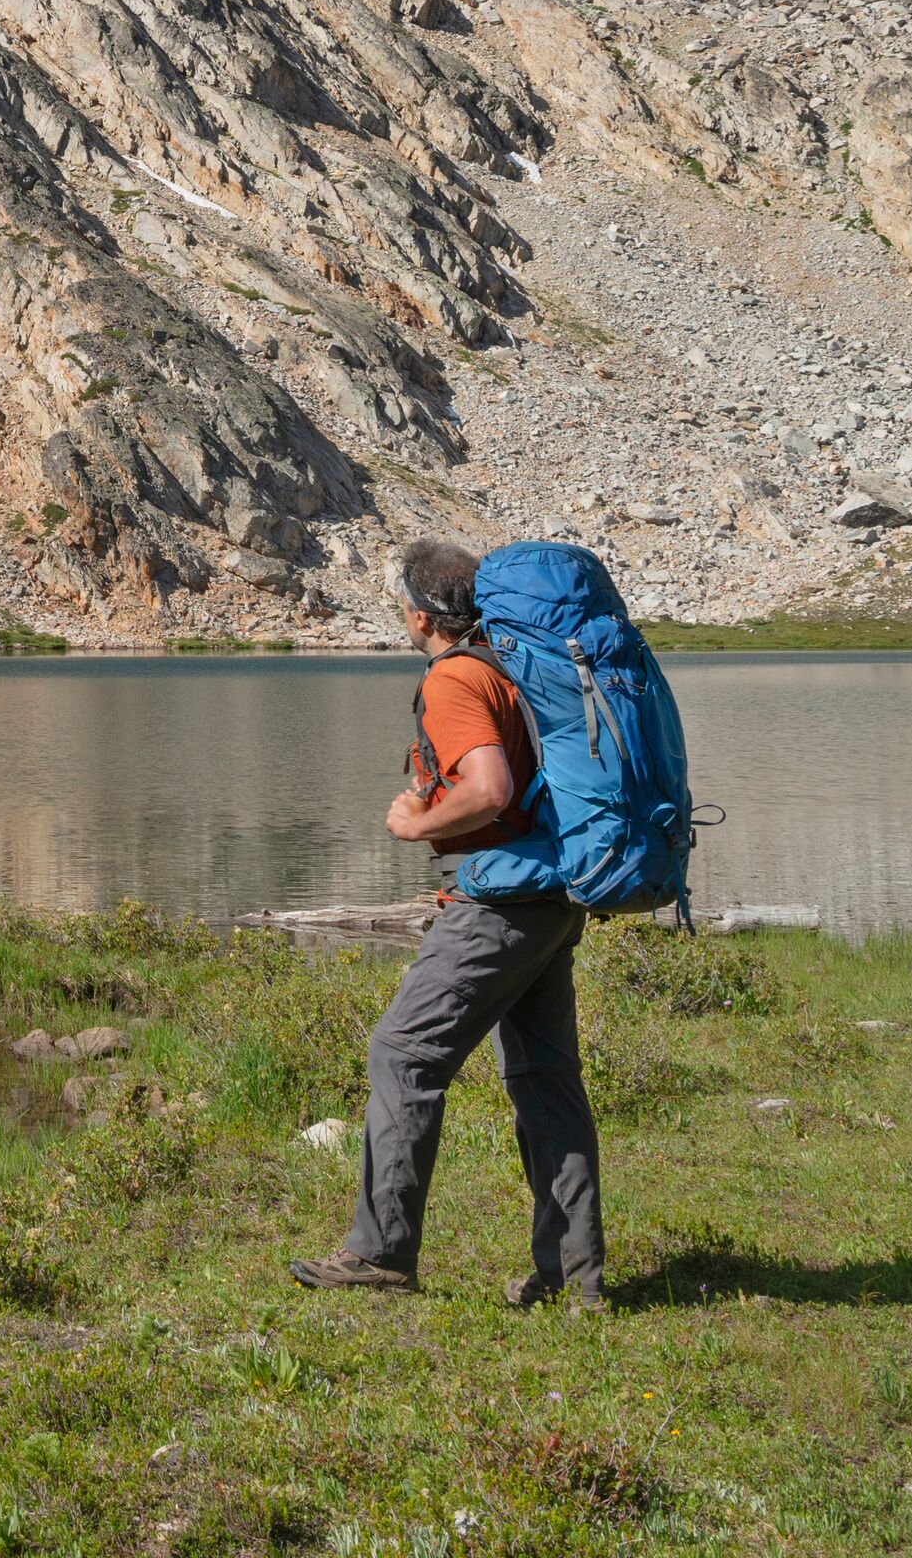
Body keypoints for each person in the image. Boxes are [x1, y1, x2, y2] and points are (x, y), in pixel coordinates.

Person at [287, 536, 605, 1309]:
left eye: (400, 598)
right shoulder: (509, 665)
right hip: (552, 898)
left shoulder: (456, 678)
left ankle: (381, 1251)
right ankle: (576, 1278)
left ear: (421, 611)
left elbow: (490, 788)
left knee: (403, 1052)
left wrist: (417, 821)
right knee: (544, 1080)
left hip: (496, 906)